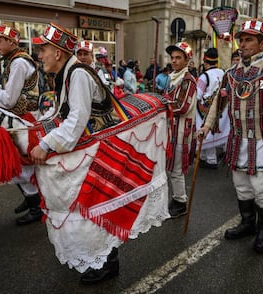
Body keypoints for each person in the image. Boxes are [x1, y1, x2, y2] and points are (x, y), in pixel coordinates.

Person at [30, 22, 169, 285]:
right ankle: (101, 258)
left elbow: (76, 121)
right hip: (93, 148)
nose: (40, 55)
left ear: (58, 52)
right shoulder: (66, 74)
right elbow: (62, 114)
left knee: (98, 205)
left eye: (44, 49)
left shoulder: (78, 75)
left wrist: (46, 144)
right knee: (93, 206)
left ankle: (108, 263)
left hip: (102, 148)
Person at [199, 18, 263, 254]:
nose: (243, 44)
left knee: (259, 187)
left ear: (261, 43)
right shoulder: (232, 72)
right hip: (238, 139)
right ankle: (248, 224)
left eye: (249, 40)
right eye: (242, 40)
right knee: (241, 187)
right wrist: (207, 126)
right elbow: (218, 99)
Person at [0, 24, 42, 226]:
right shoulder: (15, 60)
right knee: (18, 164)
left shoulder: (18, 63)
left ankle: (36, 206)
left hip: (22, 120)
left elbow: (10, 100)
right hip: (21, 117)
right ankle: (31, 199)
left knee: (21, 167)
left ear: (12, 42)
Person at [163, 41, 197, 218]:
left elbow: (181, 106)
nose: (174, 61)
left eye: (178, 58)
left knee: (176, 170)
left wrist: (160, 106)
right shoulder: (173, 77)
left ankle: (180, 201)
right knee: (171, 169)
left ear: (187, 60)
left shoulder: (187, 80)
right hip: (171, 130)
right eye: (172, 57)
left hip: (182, 132)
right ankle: (176, 198)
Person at [195, 48, 228, 169]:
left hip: (206, 109)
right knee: (215, 131)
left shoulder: (204, 76)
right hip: (221, 107)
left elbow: (197, 95)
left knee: (205, 132)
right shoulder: (223, 72)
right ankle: (205, 157)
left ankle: (210, 159)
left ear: (205, 61)